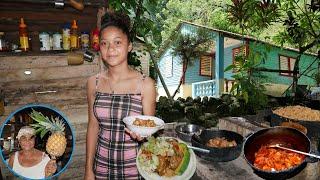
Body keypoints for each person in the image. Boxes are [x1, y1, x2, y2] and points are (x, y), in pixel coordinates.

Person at [85, 10, 156, 180]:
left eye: (117, 42)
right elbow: (93, 126)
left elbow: (150, 132)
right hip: (101, 168)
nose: (111, 49)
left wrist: (144, 136)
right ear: (99, 47)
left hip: (135, 169)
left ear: (129, 45)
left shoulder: (145, 84)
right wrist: (88, 169)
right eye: (104, 43)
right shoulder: (93, 83)